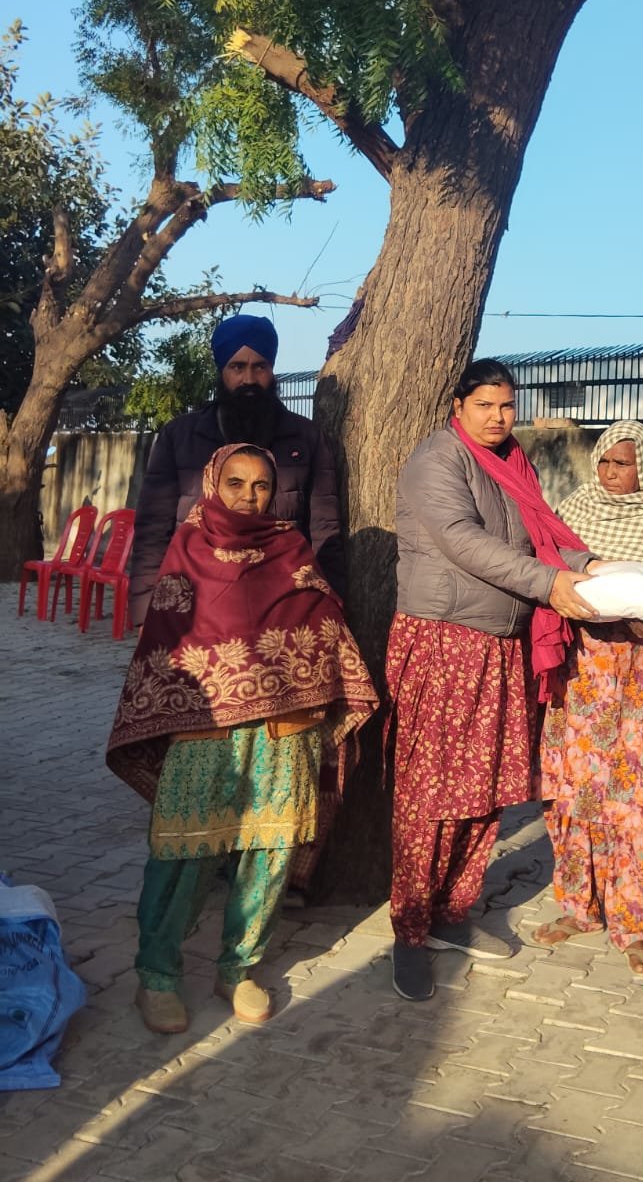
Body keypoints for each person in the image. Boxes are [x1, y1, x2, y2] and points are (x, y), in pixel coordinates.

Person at [107, 443, 378, 1034]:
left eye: (261, 485)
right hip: (205, 730)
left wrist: (314, 674)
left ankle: (240, 967)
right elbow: (169, 640)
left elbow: (324, 623)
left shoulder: (291, 547)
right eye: (236, 483)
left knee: (270, 852)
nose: (249, 496)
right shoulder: (188, 548)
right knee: (184, 852)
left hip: (287, 725)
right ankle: (157, 974)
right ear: (213, 484)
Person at [388, 359, 601, 1003]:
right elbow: (462, 541)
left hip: (501, 643)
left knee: (486, 788)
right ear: (458, 406)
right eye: (484, 405)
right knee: (430, 792)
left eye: (507, 406)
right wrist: (552, 585)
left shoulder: (512, 465)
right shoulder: (439, 459)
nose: (498, 417)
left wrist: (592, 566)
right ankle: (409, 931)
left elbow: (540, 542)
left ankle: (453, 912)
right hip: (444, 639)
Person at [534, 421, 643, 975]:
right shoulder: (574, 508)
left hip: (636, 682)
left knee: (635, 803)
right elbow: (547, 573)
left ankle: (633, 926)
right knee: (571, 797)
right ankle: (578, 908)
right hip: (575, 677)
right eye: (606, 462)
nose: (612, 473)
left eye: (624, 464)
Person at [128, 313, 343, 629]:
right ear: (221, 371)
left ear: (272, 369)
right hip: (195, 607)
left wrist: (330, 605)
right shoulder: (179, 437)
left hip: (280, 606)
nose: (249, 379)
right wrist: (145, 611)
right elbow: (152, 530)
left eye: (260, 367)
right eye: (237, 367)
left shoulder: (306, 438)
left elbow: (325, 530)